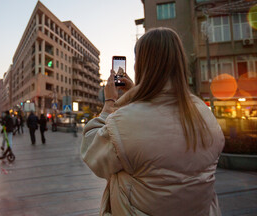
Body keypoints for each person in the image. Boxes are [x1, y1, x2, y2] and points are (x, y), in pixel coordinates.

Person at [81, 28, 225, 215]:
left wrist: (109, 103)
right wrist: (137, 94)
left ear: (141, 65)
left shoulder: (127, 121)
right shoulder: (204, 113)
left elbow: (93, 155)